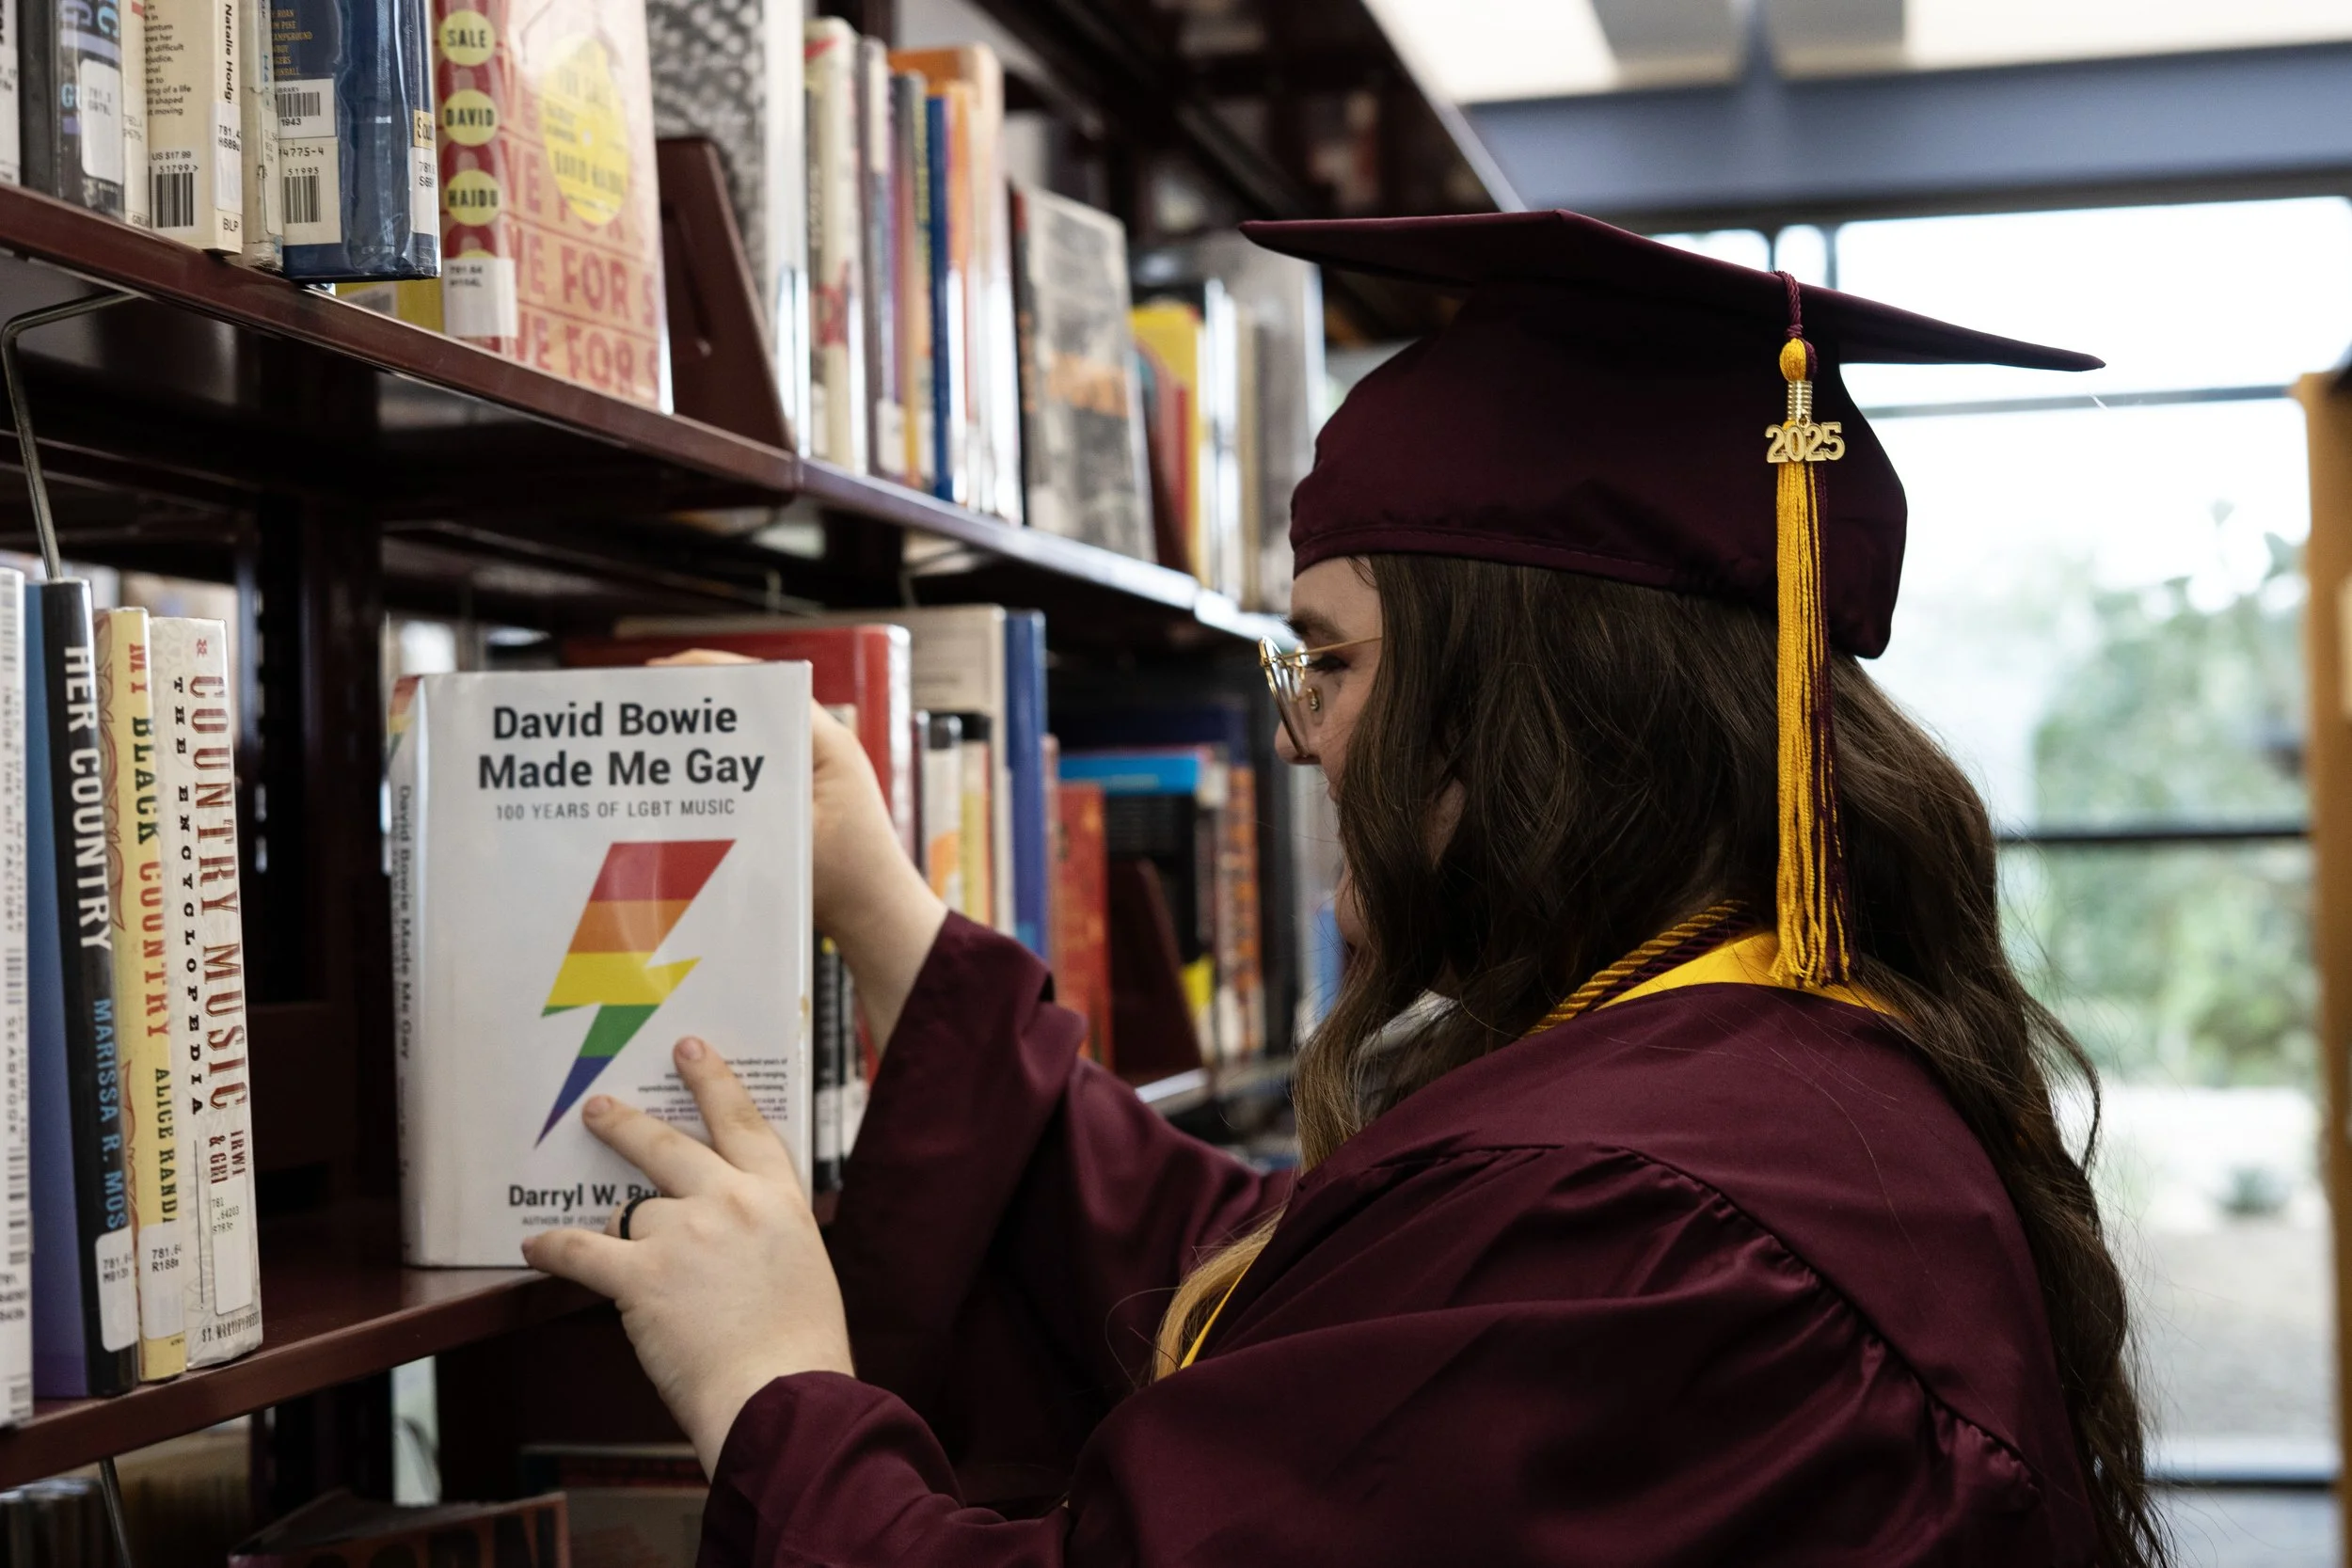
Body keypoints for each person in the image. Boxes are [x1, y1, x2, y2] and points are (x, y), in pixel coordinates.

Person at [525, 210, 2165, 1567]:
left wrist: (773, 1388)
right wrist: (887, 914)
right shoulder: (1766, 1067)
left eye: (1329, 658)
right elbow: (1291, 1284)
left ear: (1535, 698)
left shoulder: (1647, 1227)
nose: (1303, 738)